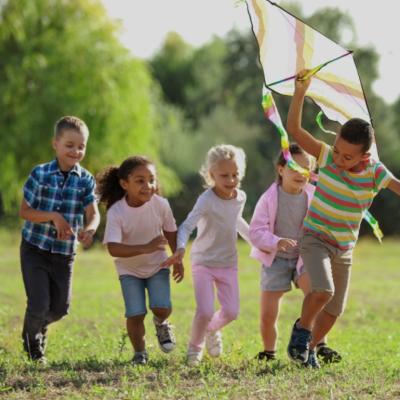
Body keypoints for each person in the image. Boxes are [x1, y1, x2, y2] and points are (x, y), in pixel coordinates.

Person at [285, 69, 400, 368]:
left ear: (365, 156)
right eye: (337, 151)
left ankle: (309, 349)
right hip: (315, 238)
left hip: (344, 248)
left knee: (335, 308)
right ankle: (301, 330)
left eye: (347, 157)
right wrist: (301, 93)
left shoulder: (376, 173)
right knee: (323, 290)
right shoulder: (326, 157)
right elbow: (295, 130)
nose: (338, 159)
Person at [19, 116, 100, 363]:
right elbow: (25, 211)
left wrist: (91, 228)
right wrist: (53, 216)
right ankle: (34, 348)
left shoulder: (85, 179)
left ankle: (32, 327)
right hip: (35, 248)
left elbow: (93, 213)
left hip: (64, 254)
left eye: (81, 146)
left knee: (60, 309)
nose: (76, 151)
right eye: (70, 145)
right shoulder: (40, 174)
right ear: (55, 144)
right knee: (39, 303)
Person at [163, 144, 250, 366]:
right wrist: (180, 248)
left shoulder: (240, 197)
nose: (231, 180)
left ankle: (211, 330)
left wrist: (258, 242)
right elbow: (186, 226)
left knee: (231, 312)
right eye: (224, 175)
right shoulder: (206, 200)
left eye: (235, 174)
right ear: (211, 175)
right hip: (203, 261)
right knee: (205, 310)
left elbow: (237, 222)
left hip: (228, 263)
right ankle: (195, 347)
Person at [98, 156, 184, 366]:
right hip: (129, 271)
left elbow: (171, 231)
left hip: (158, 265)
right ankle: (140, 353)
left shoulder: (161, 204)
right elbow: (113, 248)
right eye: (140, 181)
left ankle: (161, 323)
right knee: (135, 313)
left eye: (151, 180)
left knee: (161, 307)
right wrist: (144, 248)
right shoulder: (117, 211)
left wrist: (177, 258)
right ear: (124, 184)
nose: (148, 186)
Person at [249, 144, 315, 363]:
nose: (300, 173)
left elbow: (326, 222)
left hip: (303, 258)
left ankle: (313, 345)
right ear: (280, 170)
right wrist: (276, 242)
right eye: (294, 167)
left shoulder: (314, 196)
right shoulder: (269, 198)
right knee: (268, 315)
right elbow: (256, 232)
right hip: (275, 259)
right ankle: (269, 352)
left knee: (316, 297)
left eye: (306, 168)